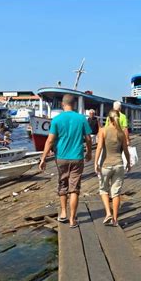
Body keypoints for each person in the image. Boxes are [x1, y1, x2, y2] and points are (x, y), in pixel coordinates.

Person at [39, 94, 92, 228]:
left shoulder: (56, 120)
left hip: (61, 157)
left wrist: (43, 158)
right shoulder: (81, 119)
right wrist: (89, 152)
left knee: (63, 184)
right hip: (77, 157)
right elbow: (89, 138)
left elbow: (50, 140)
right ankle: (73, 219)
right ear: (73, 104)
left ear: (63, 104)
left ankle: (63, 213)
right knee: (74, 189)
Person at [95, 110, 131, 227]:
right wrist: (129, 163)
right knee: (116, 193)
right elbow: (126, 150)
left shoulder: (103, 131)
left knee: (103, 190)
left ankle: (108, 213)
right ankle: (115, 220)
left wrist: (96, 163)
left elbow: (99, 148)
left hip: (105, 165)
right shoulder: (121, 133)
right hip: (119, 165)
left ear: (108, 119)